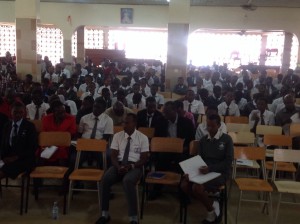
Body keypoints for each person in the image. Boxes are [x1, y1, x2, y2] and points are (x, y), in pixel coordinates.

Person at [95, 113, 149, 224]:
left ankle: (133, 218)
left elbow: (144, 159)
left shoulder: (143, 138)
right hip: (118, 164)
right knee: (105, 179)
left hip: (135, 166)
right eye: (123, 122)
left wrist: (132, 166)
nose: (124, 125)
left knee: (128, 180)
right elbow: (113, 156)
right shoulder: (117, 136)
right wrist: (118, 166)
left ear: (134, 123)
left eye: (127, 123)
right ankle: (104, 214)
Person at [180, 114, 233, 224]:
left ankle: (210, 212)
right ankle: (212, 204)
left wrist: (210, 168)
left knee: (197, 188)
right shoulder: (204, 140)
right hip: (205, 171)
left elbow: (227, 162)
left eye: (212, 126)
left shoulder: (227, 139)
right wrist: (190, 172)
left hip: (220, 172)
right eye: (208, 126)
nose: (209, 129)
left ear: (219, 125)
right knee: (184, 185)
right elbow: (199, 160)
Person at [0, 102, 38, 180]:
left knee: (2, 171)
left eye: (21, 112)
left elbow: (32, 147)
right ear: (11, 112)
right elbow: (3, 144)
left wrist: (16, 157)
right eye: (15, 112)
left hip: (24, 159)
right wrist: (3, 157)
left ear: (24, 113)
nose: (18, 115)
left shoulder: (29, 126)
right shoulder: (7, 126)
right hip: (8, 158)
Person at [40, 100, 76, 165]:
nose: (63, 114)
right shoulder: (46, 119)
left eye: (64, 112)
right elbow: (44, 135)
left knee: (62, 151)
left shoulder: (71, 119)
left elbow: (71, 135)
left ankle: (62, 172)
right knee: (40, 151)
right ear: (53, 112)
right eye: (60, 113)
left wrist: (57, 140)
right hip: (49, 144)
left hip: (64, 145)